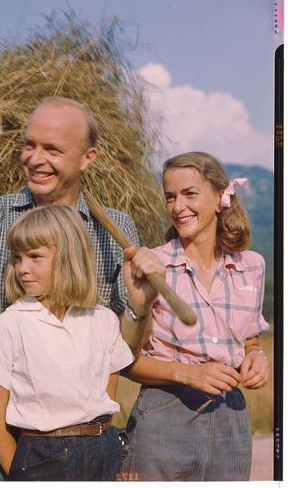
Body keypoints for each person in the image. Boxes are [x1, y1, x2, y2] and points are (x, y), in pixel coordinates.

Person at [0, 97, 154, 481]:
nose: (35, 158)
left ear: (87, 158)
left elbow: (122, 350)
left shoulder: (114, 234)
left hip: (78, 428)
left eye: (52, 149)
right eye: (30, 145)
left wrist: (140, 307)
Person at [120, 151, 269, 482]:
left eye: (189, 194)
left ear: (219, 197)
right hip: (164, 412)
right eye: (170, 196)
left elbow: (250, 339)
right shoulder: (152, 268)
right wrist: (189, 374)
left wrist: (255, 355)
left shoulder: (253, 266)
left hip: (232, 416)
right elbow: (126, 362)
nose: (177, 207)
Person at [0, 205, 137, 481]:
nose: (22, 268)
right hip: (41, 455)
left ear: (69, 258)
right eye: (17, 258)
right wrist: (22, 474)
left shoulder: (103, 320)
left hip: (102, 450)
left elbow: (107, 399)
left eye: (35, 257)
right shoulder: (11, 323)